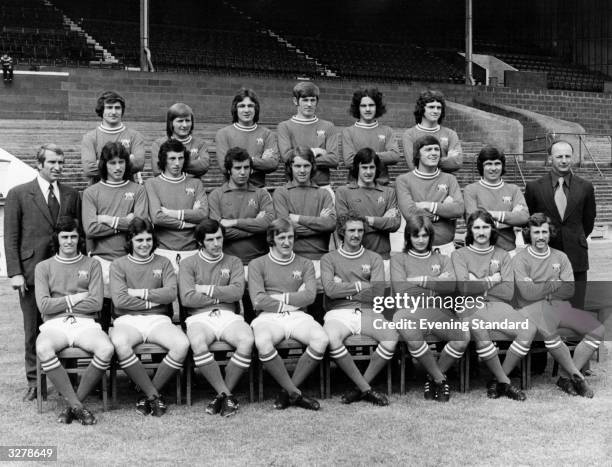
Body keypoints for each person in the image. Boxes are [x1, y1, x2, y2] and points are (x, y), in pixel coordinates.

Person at [4, 144, 81, 401]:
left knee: (67, 325)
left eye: (61, 162)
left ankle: (69, 379)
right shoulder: (19, 194)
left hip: (66, 272)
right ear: (39, 164)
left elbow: (77, 236)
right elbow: (11, 237)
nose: (57, 167)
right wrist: (15, 272)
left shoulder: (71, 195)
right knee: (32, 328)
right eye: (52, 163)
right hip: (30, 271)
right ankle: (35, 381)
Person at [513, 213, 603, 397]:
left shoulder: (560, 257)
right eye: (536, 232)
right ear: (529, 233)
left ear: (550, 233)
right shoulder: (520, 259)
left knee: (598, 330)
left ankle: (566, 377)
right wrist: (552, 285)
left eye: (544, 232)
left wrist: (540, 287)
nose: (540, 236)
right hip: (532, 310)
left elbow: (569, 289)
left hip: (560, 307)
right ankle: (579, 378)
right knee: (549, 331)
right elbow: (526, 294)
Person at [35, 217, 112, 425]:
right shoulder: (43, 267)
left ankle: (72, 406)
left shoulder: (93, 264)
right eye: (65, 237)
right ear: (57, 239)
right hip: (54, 324)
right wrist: (76, 298)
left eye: (73, 236)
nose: (69, 241)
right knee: (43, 348)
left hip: (86, 322)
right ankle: (78, 406)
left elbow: (95, 304)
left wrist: (59, 303)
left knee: (106, 349)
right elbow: (44, 306)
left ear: (80, 239)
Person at [451, 210, 535, 401]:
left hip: (498, 306)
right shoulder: (459, 255)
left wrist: (477, 282)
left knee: (528, 329)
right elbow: (463, 289)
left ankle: (498, 381)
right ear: (470, 230)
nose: (481, 231)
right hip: (469, 306)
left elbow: (508, 291)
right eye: (477, 227)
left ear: (492, 229)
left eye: (485, 227)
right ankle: (505, 381)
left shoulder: (503, 255)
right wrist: (492, 279)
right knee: (479, 329)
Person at [109, 218, 189, 416]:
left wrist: (138, 293)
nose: (145, 244)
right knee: (120, 343)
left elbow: (170, 294)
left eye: (148, 239)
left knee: (182, 344)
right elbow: (120, 301)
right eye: (139, 240)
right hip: (127, 320)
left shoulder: (164, 262)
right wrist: (153, 299)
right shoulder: (118, 265)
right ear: (130, 241)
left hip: (158, 319)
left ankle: (148, 393)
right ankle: (153, 394)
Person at [248, 219, 329, 410]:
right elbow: (258, 300)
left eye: (290, 237)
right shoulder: (257, 264)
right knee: (262, 342)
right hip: (268, 317)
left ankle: (287, 391)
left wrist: (277, 297)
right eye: (281, 237)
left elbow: (309, 297)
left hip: (298, 316)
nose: (286, 242)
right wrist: (293, 298)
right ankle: (295, 393)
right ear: (272, 239)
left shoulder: (306, 263)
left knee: (321, 339)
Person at [179, 219, 254, 417]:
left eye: (219, 238)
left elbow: (237, 293)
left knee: (247, 340)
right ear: (201, 242)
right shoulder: (188, 264)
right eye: (210, 240)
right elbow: (188, 299)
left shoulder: (234, 261)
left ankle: (221, 396)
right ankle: (226, 395)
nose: (216, 243)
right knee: (197, 341)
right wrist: (222, 293)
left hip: (229, 315)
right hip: (199, 317)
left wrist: (205, 289)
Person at [321, 213, 398, 406]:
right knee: (331, 338)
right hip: (338, 312)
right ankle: (367, 390)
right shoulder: (329, 259)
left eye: (360, 230)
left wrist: (344, 288)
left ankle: (360, 387)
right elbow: (330, 290)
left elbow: (378, 292)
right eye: (351, 230)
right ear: (342, 232)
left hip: (368, 310)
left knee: (391, 337)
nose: (356, 235)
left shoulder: (374, 258)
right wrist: (361, 286)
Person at [391, 215, 468, 401]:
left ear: (430, 237)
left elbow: (450, 286)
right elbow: (402, 290)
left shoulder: (442, 259)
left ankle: (432, 376)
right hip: (409, 312)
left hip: (439, 312)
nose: (420, 240)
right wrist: (435, 286)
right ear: (408, 237)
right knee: (408, 329)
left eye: (425, 236)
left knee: (462, 338)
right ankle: (440, 380)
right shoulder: (398, 259)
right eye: (416, 236)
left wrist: (420, 282)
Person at [82, 142, 148, 329]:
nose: (118, 167)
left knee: (129, 324)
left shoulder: (137, 190)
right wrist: (123, 222)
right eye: (112, 163)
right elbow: (91, 229)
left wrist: (108, 220)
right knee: (100, 324)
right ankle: (106, 359)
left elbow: (139, 224)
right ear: (104, 164)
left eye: (121, 162)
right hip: (101, 262)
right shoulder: (91, 192)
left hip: (131, 261)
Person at [524, 139, 596, 309]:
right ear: (550, 159)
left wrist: (575, 237)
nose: (564, 160)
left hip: (576, 255)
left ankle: (573, 336)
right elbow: (529, 221)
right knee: (545, 304)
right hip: (545, 254)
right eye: (559, 156)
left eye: (567, 156)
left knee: (576, 305)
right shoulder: (534, 187)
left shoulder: (586, 187)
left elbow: (589, 220)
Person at [208, 147, 274, 323]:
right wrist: (254, 224)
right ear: (229, 170)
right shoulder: (216, 195)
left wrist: (235, 222)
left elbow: (268, 225)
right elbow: (219, 232)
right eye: (238, 168)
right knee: (227, 317)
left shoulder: (261, 193)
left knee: (257, 316)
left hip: (257, 262)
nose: (243, 172)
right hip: (226, 263)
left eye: (246, 167)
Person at [273, 147, 336, 322]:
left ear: (313, 167)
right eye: (297, 166)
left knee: (318, 317)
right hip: (291, 260)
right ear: (290, 167)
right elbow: (284, 229)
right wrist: (317, 222)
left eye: (306, 166)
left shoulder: (323, 193)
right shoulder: (282, 192)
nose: (302, 170)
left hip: (319, 261)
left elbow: (330, 224)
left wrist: (298, 219)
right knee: (291, 318)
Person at [144, 139, 208, 274]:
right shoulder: (152, 183)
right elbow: (157, 218)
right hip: (162, 250)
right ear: (163, 160)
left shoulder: (196, 183)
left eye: (181, 158)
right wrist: (188, 223)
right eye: (172, 158)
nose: (177, 163)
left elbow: (203, 215)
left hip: (192, 250)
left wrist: (172, 213)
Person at [335, 148, 400, 279]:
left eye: (372, 167)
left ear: (377, 169)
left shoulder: (388, 192)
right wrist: (380, 221)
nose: (368, 172)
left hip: (383, 257)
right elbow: (343, 226)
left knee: (381, 298)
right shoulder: (343, 192)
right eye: (364, 167)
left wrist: (360, 221)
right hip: (353, 257)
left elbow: (395, 224)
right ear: (357, 168)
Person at [395, 135, 464, 257]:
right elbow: (410, 213)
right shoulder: (403, 180)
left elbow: (458, 209)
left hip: (446, 248)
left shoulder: (450, 179)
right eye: (428, 149)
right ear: (417, 154)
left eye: (436, 149)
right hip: (416, 248)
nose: (434, 153)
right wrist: (444, 213)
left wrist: (428, 205)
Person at [463, 146, 528, 253]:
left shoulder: (513, 189)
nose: (493, 168)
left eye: (497, 163)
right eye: (488, 164)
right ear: (481, 166)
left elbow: (524, 218)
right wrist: (510, 219)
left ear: (502, 165)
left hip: (509, 251)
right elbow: (473, 221)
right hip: (481, 251)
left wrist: (493, 215)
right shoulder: (470, 190)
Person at [277, 81, 338, 193]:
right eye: (305, 100)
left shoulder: (328, 126)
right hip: (294, 187)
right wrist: (315, 151)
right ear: (296, 101)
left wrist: (299, 156)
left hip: (322, 187)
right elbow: (287, 157)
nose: (309, 104)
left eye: (312, 100)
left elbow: (333, 160)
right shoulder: (284, 126)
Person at [215, 89, 279, 188]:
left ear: (256, 108)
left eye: (250, 106)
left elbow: (272, 164)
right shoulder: (223, 134)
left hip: (258, 190)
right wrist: (257, 161)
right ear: (235, 109)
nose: (246, 110)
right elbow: (224, 167)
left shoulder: (267, 134)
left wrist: (238, 161)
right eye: (241, 106)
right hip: (231, 191)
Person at [81, 91, 145, 185]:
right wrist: (128, 160)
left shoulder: (135, 136)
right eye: (109, 107)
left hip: (127, 190)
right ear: (102, 110)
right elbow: (88, 169)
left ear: (122, 110)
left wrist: (100, 163)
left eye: (117, 108)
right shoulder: (90, 137)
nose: (114, 112)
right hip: (99, 191)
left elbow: (139, 164)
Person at [342, 87, 400, 186]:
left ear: (377, 107)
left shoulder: (387, 131)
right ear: (358, 108)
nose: (368, 109)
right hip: (356, 185)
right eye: (363, 106)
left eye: (371, 105)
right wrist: (379, 156)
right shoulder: (348, 131)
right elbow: (348, 161)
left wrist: (364, 156)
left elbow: (394, 156)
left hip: (382, 185)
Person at [402, 90, 462, 172]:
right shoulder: (409, 134)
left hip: (446, 182)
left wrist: (425, 160)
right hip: (420, 183)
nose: (436, 111)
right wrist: (446, 159)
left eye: (439, 108)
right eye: (431, 107)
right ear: (422, 109)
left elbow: (457, 163)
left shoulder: (451, 134)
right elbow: (413, 165)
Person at [151, 103, 210, 183]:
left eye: (188, 120)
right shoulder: (159, 144)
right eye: (180, 121)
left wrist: (170, 165)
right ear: (171, 123)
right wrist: (193, 164)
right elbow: (157, 170)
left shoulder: (200, 144)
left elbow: (204, 166)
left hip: (192, 188)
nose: (185, 125)